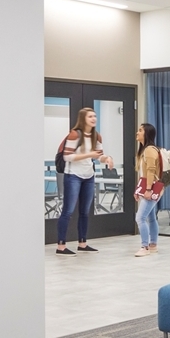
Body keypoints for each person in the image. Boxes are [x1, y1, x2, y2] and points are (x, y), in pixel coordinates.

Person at [56, 108, 114, 256]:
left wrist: (106, 159)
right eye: (90, 116)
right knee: (68, 211)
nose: (94, 118)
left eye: (95, 116)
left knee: (85, 212)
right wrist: (89, 154)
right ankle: (61, 246)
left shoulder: (97, 136)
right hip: (73, 175)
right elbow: (67, 157)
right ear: (83, 118)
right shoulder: (75, 134)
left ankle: (83, 243)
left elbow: (98, 156)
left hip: (89, 176)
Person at [134, 123, 163, 257]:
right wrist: (138, 190)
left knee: (140, 217)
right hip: (147, 187)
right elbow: (143, 174)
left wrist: (148, 190)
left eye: (140, 130)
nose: (137, 132)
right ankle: (153, 245)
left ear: (147, 134)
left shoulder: (150, 150)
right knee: (150, 217)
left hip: (152, 189)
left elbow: (151, 171)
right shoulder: (143, 151)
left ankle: (144, 246)